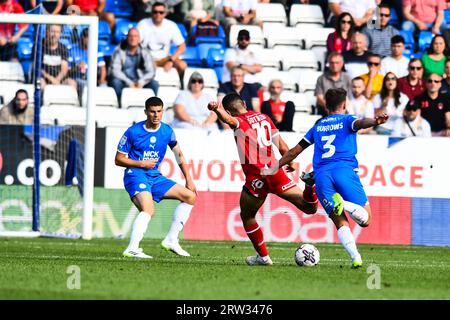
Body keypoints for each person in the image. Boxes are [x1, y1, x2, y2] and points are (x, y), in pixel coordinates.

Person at [265, 88, 389, 268]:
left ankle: (356, 257)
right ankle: (344, 204)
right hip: (344, 171)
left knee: (339, 220)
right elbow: (361, 123)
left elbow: (294, 151)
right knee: (366, 219)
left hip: (322, 176)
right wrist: (375, 121)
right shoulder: (347, 119)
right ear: (344, 104)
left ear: (325, 105)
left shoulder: (318, 126)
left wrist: (274, 167)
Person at [207, 93, 318, 266]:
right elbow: (281, 145)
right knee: (309, 207)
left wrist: (216, 110)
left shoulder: (239, 122)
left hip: (257, 178)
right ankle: (309, 186)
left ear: (230, 111)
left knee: (247, 216)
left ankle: (264, 257)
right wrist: (291, 161)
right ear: (244, 103)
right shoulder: (265, 118)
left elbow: (229, 121)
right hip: (275, 171)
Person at [116, 96, 197, 258]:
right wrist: (141, 164)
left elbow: (179, 154)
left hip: (155, 176)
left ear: (163, 112)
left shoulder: (167, 131)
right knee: (149, 210)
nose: (156, 115)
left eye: (159, 111)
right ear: (146, 112)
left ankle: (171, 240)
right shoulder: (133, 132)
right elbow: (118, 159)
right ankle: (132, 248)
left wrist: (189, 178)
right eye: (152, 112)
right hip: (135, 174)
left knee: (190, 197)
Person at [137, 2, 187, 78]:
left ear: (165, 14)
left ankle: (181, 86)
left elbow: (182, 46)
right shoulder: (143, 24)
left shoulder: (171, 25)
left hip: (165, 58)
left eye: (161, 12)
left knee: (182, 65)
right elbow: (135, 44)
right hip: (147, 58)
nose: (158, 14)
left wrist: (171, 60)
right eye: (155, 12)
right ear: (151, 13)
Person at [109, 27, 158, 102]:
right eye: (130, 36)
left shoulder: (145, 52)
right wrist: (129, 83)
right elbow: (115, 71)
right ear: (127, 38)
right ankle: (119, 104)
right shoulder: (119, 51)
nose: (133, 38)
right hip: (124, 81)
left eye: (135, 36)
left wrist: (141, 82)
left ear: (139, 39)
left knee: (154, 84)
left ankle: (153, 105)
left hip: (140, 81)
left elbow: (151, 71)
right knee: (116, 82)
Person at [40, 24, 76, 90]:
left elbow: (64, 69)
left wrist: (57, 79)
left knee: (72, 83)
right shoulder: (39, 46)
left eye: (57, 32)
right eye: (52, 31)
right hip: (43, 78)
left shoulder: (63, 48)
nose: (54, 35)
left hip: (59, 79)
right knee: (41, 83)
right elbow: (38, 68)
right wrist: (51, 79)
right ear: (46, 32)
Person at [315, 52, 352, 116]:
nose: (334, 65)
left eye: (337, 63)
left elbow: (349, 98)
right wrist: (331, 109)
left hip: (343, 111)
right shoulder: (321, 78)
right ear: (328, 64)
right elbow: (319, 98)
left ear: (342, 64)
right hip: (326, 111)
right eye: (332, 63)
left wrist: (340, 110)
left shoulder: (347, 78)